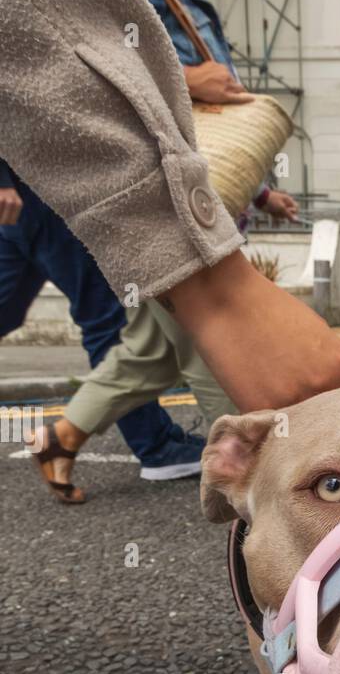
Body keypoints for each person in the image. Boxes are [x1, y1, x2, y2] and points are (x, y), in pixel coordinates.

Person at [0, 0, 340, 498]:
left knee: (149, 349)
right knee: (208, 346)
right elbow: (60, 44)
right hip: (165, 220)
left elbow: (203, 133)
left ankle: (62, 436)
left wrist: (261, 193)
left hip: (191, 216)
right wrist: (221, 288)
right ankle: (278, 494)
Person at [0, 160, 205, 482]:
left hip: (29, 192)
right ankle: (157, 447)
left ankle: (152, 443)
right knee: (107, 321)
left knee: (6, 311)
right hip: (49, 191)